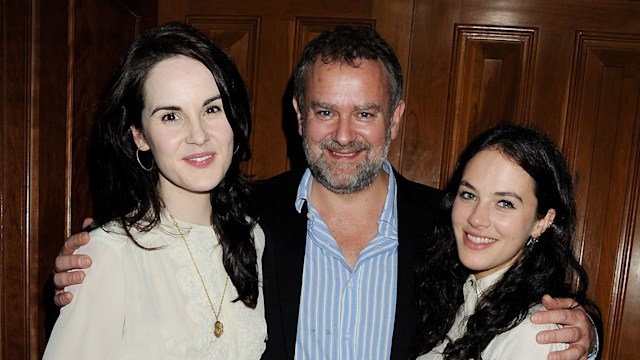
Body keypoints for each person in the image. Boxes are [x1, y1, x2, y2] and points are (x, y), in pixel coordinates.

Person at [51, 26, 596, 360]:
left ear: (396, 118)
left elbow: (513, 294)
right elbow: (158, 247)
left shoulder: (452, 222)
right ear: (298, 114)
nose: (343, 135)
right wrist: (95, 257)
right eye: (325, 111)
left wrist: (584, 333)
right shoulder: (244, 217)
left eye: (365, 113)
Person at [43, 23, 267, 359]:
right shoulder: (109, 253)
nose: (198, 134)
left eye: (211, 109)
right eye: (171, 116)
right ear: (139, 136)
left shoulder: (253, 236)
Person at [413, 125, 600, 359]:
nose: (476, 218)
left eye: (504, 203)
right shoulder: (456, 294)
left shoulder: (535, 332)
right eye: (469, 195)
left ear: (542, 221)